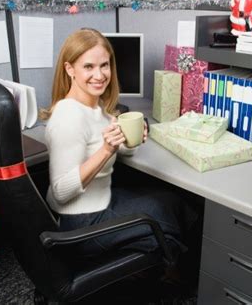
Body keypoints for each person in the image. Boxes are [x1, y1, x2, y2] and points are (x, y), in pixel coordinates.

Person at [41, 28, 198, 259]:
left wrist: (131, 139)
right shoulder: (68, 117)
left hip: (98, 203)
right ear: (69, 69)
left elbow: (121, 149)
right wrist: (106, 150)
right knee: (169, 210)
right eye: (89, 67)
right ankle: (180, 276)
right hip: (81, 224)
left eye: (104, 65)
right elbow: (61, 191)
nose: (100, 74)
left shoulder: (94, 107)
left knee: (172, 201)